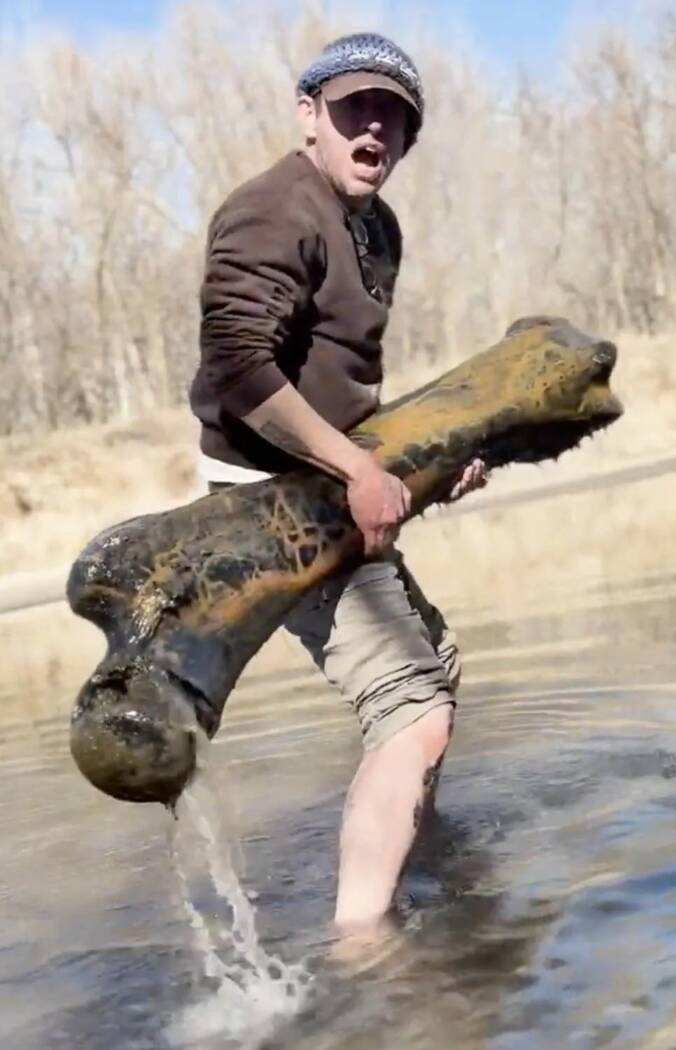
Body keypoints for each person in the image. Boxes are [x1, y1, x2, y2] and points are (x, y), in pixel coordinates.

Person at [189, 32, 488, 929]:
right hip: (267, 504)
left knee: (432, 666)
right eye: (355, 106)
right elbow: (240, 370)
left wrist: (427, 460)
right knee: (411, 711)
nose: (374, 128)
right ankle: (364, 944)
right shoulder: (271, 210)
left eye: (394, 115)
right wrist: (358, 467)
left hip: (324, 485)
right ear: (307, 113)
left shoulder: (374, 225)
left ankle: (405, 849)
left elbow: (343, 382)